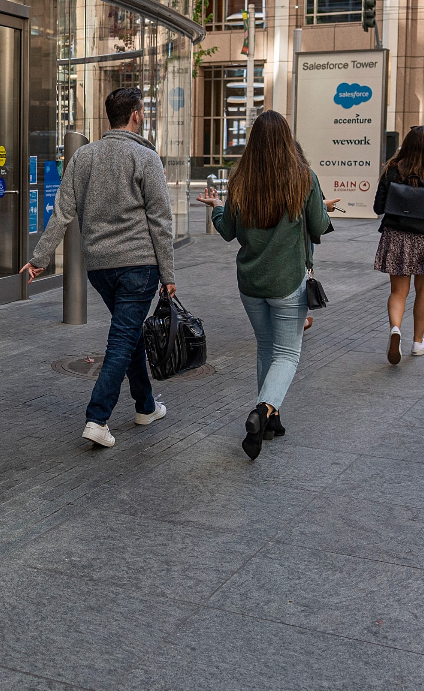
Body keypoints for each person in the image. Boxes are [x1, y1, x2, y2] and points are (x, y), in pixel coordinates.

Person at [21, 87, 174, 449]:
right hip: (139, 265)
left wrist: (40, 257)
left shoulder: (84, 156)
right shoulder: (146, 157)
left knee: (129, 333)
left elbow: (62, 211)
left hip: (101, 268)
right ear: (136, 115)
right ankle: (97, 418)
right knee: (122, 339)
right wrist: (168, 275)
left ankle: (146, 407)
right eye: (142, 112)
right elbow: (161, 221)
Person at [198, 110, 334, 460]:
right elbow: (318, 224)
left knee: (265, 348)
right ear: (287, 140)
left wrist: (216, 207)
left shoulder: (240, 179)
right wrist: (323, 209)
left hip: (250, 282)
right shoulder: (304, 178)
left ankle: (271, 420)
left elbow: (227, 231)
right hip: (288, 282)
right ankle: (263, 410)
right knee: (287, 353)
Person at [372, 125, 424, 363]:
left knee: (398, 291)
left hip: (396, 234)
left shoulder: (391, 170)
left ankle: (395, 329)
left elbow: (378, 207)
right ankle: (418, 342)